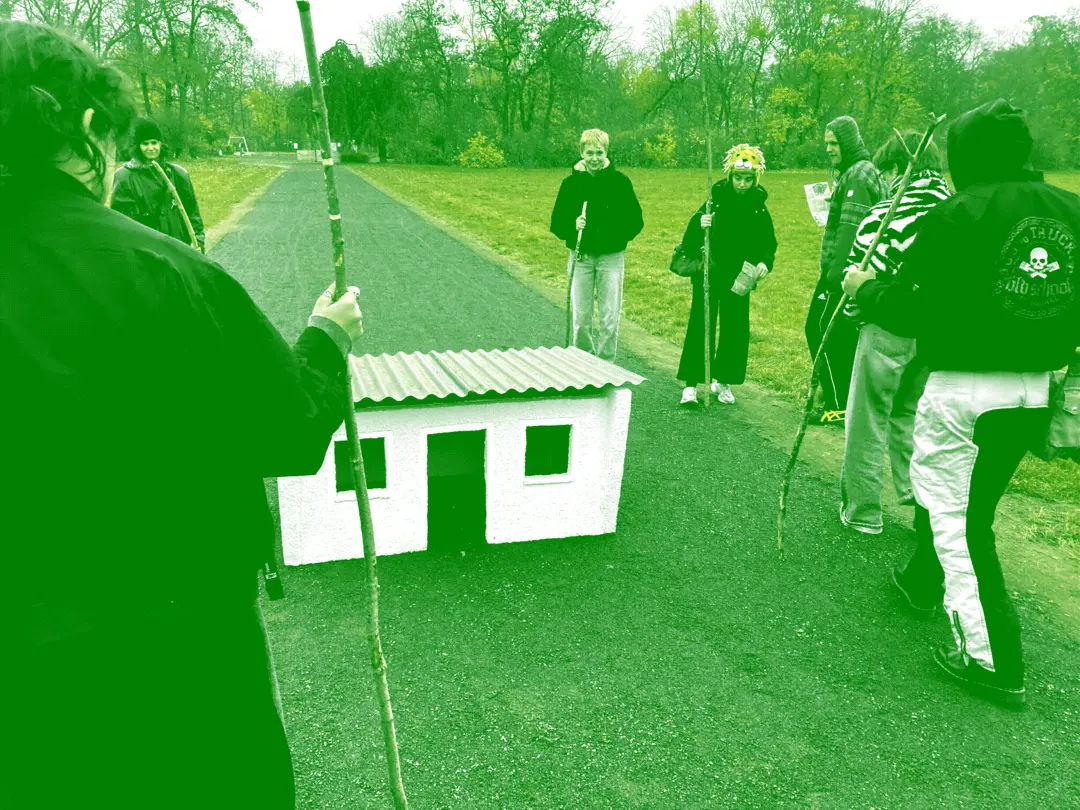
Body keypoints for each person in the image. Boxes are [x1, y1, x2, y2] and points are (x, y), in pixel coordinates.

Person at [0, 21, 364, 808]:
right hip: (177, 654)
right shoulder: (170, 277)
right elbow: (288, 427)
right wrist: (328, 340)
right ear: (93, 128)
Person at [844, 100, 1080, 707]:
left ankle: (991, 656)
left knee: (960, 520)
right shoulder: (1071, 210)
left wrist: (865, 290)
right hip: (1034, 391)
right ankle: (924, 581)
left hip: (966, 391)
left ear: (966, 155)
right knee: (960, 494)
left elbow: (916, 307)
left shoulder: (958, 214)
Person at [838, 132, 952, 535]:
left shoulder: (889, 214)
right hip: (937, 337)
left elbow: (856, 274)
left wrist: (856, 311)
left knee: (868, 418)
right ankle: (918, 501)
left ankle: (864, 510)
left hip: (887, 328)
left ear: (897, 169)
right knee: (912, 417)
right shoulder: (955, 210)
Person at [676, 144, 777, 407]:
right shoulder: (715, 199)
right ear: (729, 175)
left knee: (735, 328)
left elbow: (769, 242)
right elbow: (690, 241)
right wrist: (701, 224)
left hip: (739, 276)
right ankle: (691, 384)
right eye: (737, 178)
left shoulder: (758, 207)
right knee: (701, 324)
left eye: (747, 179)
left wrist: (766, 262)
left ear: (755, 180)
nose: (742, 184)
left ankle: (724, 380)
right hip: (709, 272)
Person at [806, 115, 888, 425]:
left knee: (818, 328)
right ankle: (844, 402)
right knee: (842, 336)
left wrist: (834, 277)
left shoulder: (856, 176)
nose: (828, 149)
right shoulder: (860, 172)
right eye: (826, 143)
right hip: (855, 275)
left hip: (843, 274)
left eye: (834, 143)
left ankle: (838, 405)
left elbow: (851, 231)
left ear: (849, 142)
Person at [549, 128, 644, 362]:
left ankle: (606, 365)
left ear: (606, 152)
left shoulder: (620, 182)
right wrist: (573, 225)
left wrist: (614, 237)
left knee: (609, 318)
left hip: (610, 258)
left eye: (599, 153)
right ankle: (583, 364)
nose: (594, 158)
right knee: (581, 318)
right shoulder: (571, 184)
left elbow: (635, 221)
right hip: (580, 256)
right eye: (589, 152)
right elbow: (556, 222)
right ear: (582, 152)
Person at [111, 116, 207, 252]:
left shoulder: (178, 174)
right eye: (145, 143)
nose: (151, 148)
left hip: (180, 247)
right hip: (148, 251)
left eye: (154, 142)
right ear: (138, 146)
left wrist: (198, 241)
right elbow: (121, 223)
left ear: (160, 144)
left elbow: (193, 213)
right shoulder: (125, 177)